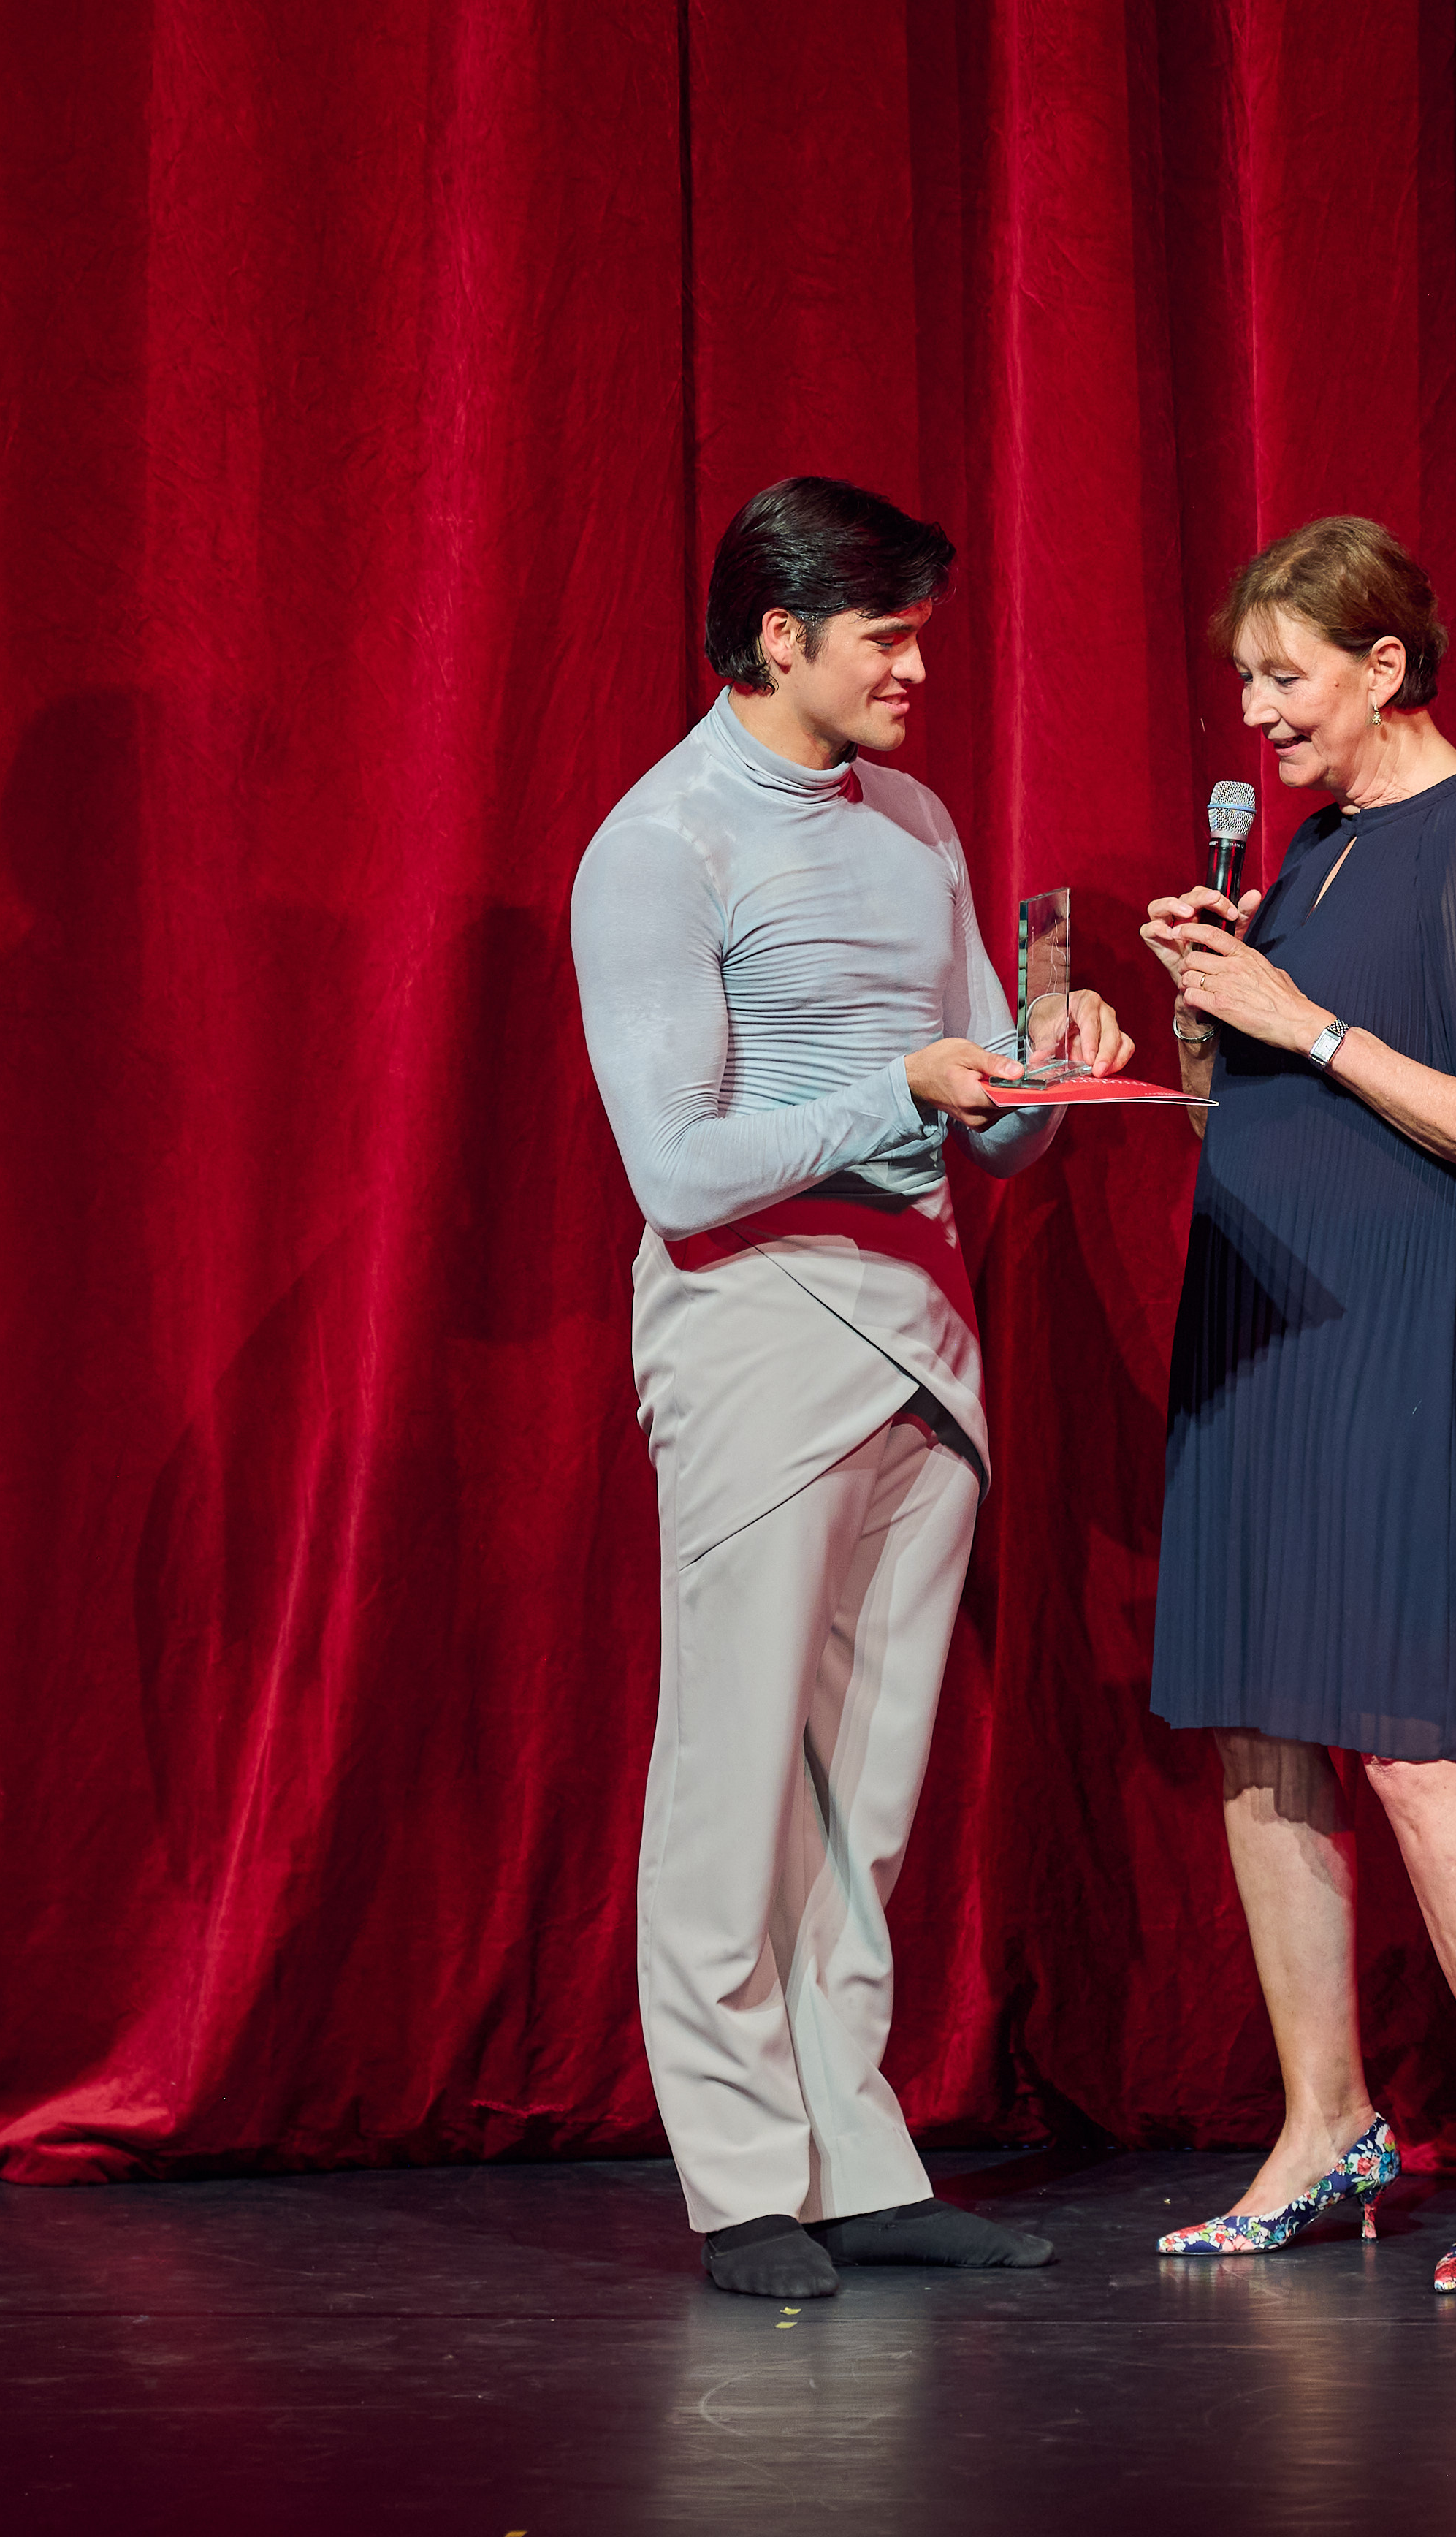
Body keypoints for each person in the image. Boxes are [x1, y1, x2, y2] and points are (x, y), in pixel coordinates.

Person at [570, 476, 1130, 2300]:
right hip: (756, 1323)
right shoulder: (660, 845)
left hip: (925, 1322)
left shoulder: (917, 819)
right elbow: (681, 1168)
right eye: (884, 633)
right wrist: (909, 1081)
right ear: (777, 637)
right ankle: (741, 2176)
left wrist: (1048, 1077)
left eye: (919, 629)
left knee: (865, 1781)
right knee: (737, 1772)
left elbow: (991, 1134)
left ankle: (855, 2153)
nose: (916, 665)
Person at [1137, 517, 1456, 2297]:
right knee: (1260, 1723)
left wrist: (1298, 1022)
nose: (1256, 714)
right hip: (1261, 1321)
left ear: (1387, 667)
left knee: (1410, 1735)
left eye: (1285, 676)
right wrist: (1202, 1028)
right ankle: (1324, 2118)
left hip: (1409, 1328)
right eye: (1246, 677)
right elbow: (1258, 1119)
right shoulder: (1311, 851)